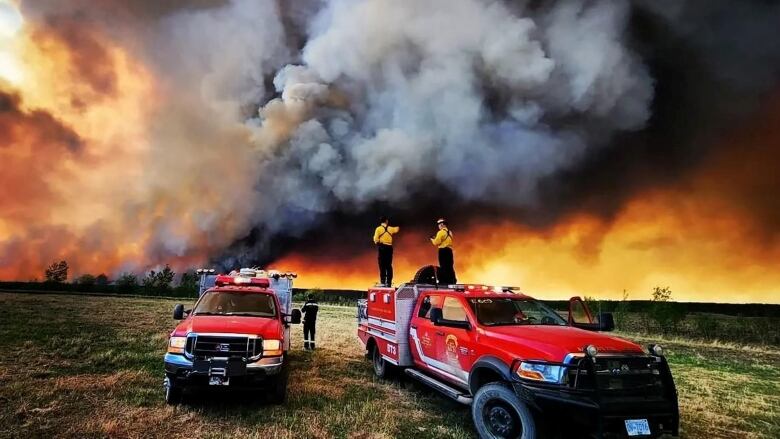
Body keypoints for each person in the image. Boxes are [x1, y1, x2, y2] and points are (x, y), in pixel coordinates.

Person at [373, 216, 400, 287]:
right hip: (389, 248)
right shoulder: (390, 229)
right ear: (386, 221)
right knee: (389, 265)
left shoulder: (378, 229)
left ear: (381, 221)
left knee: (382, 265)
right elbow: (397, 229)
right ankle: (389, 283)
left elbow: (375, 239)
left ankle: (382, 282)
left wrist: (379, 245)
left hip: (382, 247)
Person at [430, 218, 456, 284]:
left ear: (441, 224)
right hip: (449, 251)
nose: (438, 226)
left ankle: (444, 281)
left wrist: (432, 239)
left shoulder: (441, 232)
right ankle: (452, 280)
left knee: (443, 266)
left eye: (439, 225)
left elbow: (436, 242)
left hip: (443, 251)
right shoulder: (450, 232)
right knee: (449, 266)